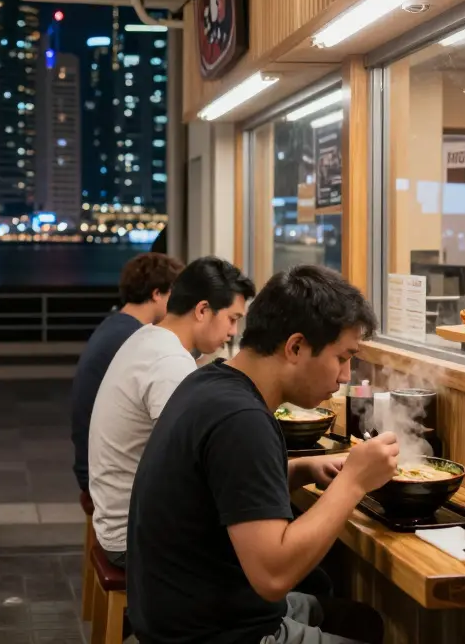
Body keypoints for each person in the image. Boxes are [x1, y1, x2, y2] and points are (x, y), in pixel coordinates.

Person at [128, 265, 396, 644]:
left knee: (359, 620)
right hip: (209, 632)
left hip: (182, 610)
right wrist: (354, 482)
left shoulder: (210, 381)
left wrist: (302, 468)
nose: (344, 377)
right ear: (296, 347)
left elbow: (225, 494)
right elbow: (273, 576)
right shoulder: (242, 419)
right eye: (342, 358)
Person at [89, 256, 253, 569]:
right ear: (203, 310)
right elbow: (197, 461)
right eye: (232, 319)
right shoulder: (168, 362)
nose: (234, 332)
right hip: (133, 538)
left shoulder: (148, 337)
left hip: (119, 520)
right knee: (266, 544)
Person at [70, 252, 184, 493]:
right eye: (174, 295)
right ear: (156, 293)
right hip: (105, 478)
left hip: (93, 466)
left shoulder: (115, 326)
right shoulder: (133, 339)